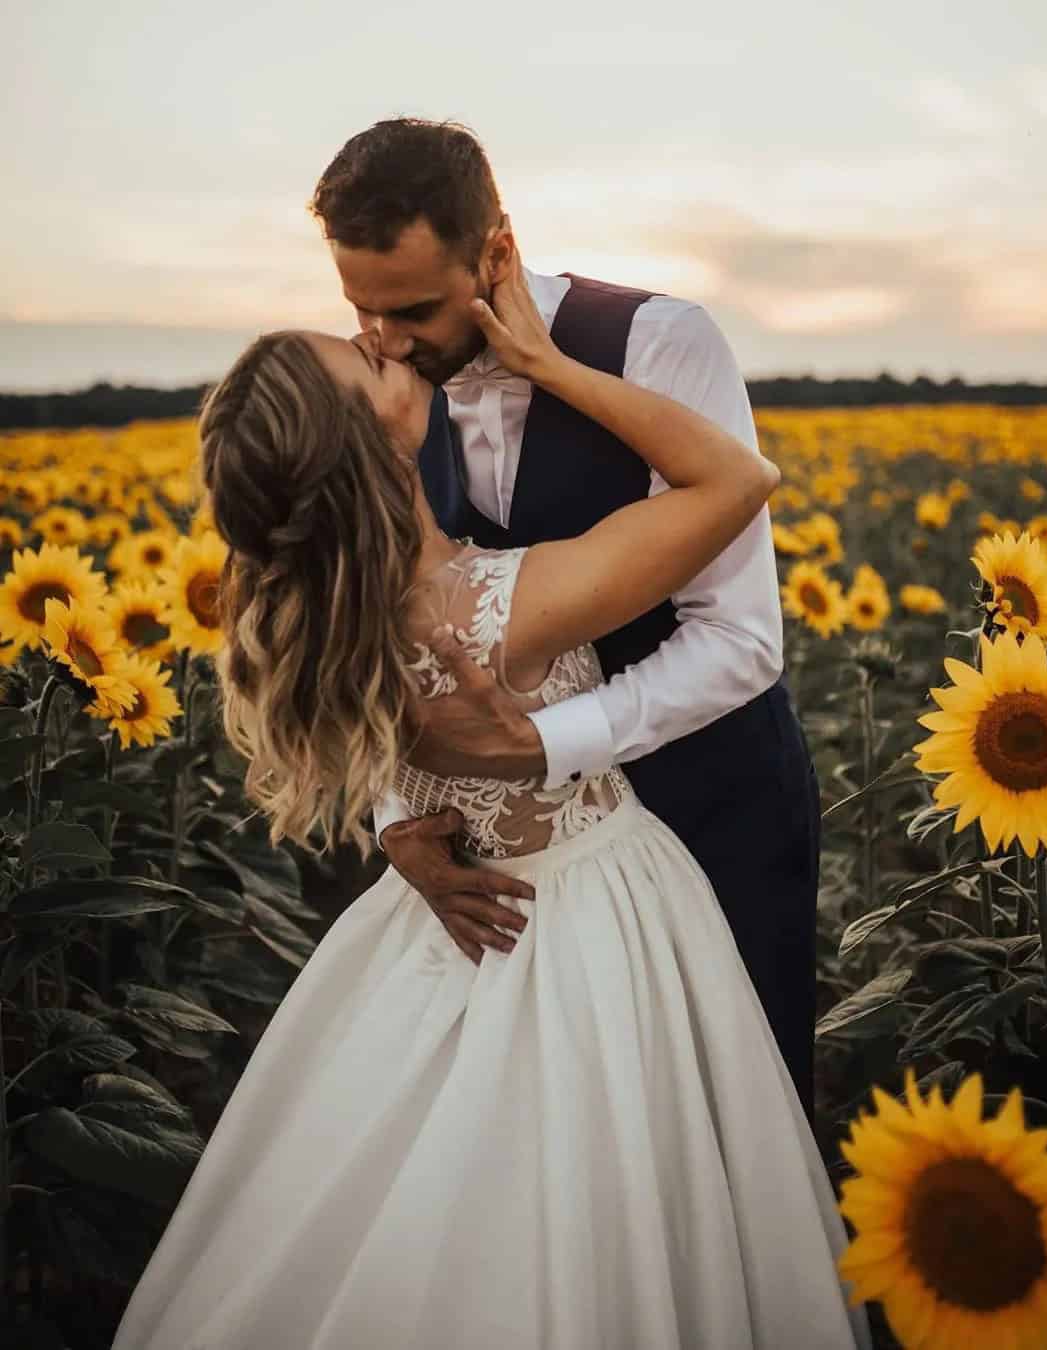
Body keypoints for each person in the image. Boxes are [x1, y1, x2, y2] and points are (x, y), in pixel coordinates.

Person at [109, 246, 870, 1349]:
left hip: (437, 923)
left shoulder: (317, 606)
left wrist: (396, 825)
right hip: (587, 917)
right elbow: (739, 483)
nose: (380, 341)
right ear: (377, 446)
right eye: (362, 359)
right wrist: (550, 366)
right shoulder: (494, 606)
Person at [312, 118, 822, 1127]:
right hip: (523, 864)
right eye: (361, 310)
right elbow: (369, 625)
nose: (386, 340)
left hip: (713, 804)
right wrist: (395, 821)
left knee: (732, 1121)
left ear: (495, 250)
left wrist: (540, 747)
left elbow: (742, 640)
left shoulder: (662, 343)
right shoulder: (377, 390)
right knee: (560, 1135)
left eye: (412, 308)